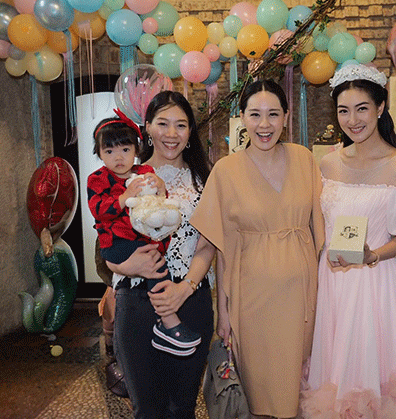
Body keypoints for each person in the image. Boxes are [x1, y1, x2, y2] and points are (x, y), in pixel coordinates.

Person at [300, 64, 396, 419]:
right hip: (333, 285)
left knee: (379, 389)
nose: (352, 120)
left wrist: (372, 255)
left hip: (376, 285)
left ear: (380, 107)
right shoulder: (327, 163)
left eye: (362, 109)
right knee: (335, 384)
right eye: (344, 111)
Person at [189, 79, 325, 419]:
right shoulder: (226, 170)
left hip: (302, 296)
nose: (265, 124)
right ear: (242, 118)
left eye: (273, 114)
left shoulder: (305, 159)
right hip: (251, 299)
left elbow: (321, 228)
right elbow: (221, 247)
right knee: (259, 392)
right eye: (255, 114)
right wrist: (223, 312)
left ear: (286, 117)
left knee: (300, 387)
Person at [104, 91, 214, 419]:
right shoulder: (125, 176)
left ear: (190, 131)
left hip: (190, 299)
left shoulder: (204, 179)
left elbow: (208, 245)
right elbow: (106, 243)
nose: (171, 133)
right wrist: (129, 265)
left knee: (182, 408)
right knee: (147, 409)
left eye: (181, 125)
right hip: (137, 301)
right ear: (148, 127)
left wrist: (185, 289)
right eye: (163, 123)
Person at [88, 112, 202, 357]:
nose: (118, 157)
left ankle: (166, 324)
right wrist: (124, 197)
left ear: (136, 150)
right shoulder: (97, 179)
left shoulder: (144, 171)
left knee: (158, 265)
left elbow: (155, 206)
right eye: (109, 151)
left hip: (142, 240)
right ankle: (169, 322)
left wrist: (160, 189)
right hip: (116, 243)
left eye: (125, 149)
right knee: (157, 267)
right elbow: (99, 211)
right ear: (99, 154)